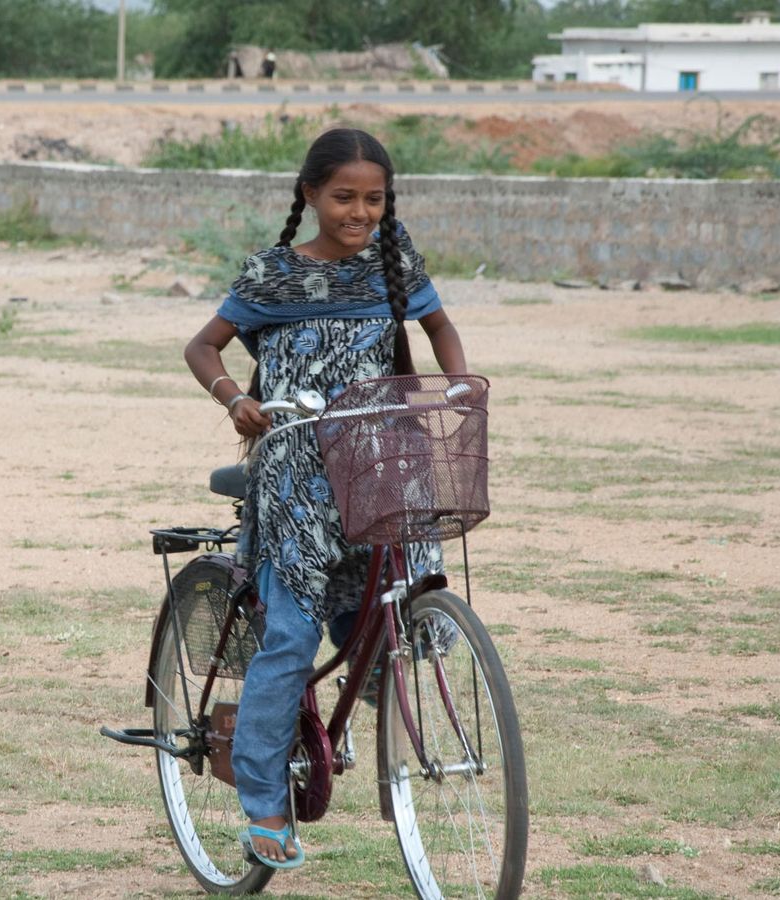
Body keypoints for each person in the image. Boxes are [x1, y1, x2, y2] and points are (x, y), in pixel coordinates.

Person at [181, 127, 468, 869]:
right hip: (297, 474)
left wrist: (459, 381)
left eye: (375, 199)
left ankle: (358, 714)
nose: (361, 212)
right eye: (345, 197)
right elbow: (202, 346)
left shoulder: (394, 260)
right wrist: (231, 399)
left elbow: (438, 327)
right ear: (309, 195)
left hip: (382, 462)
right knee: (290, 638)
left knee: (391, 618)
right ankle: (265, 805)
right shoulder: (271, 275)